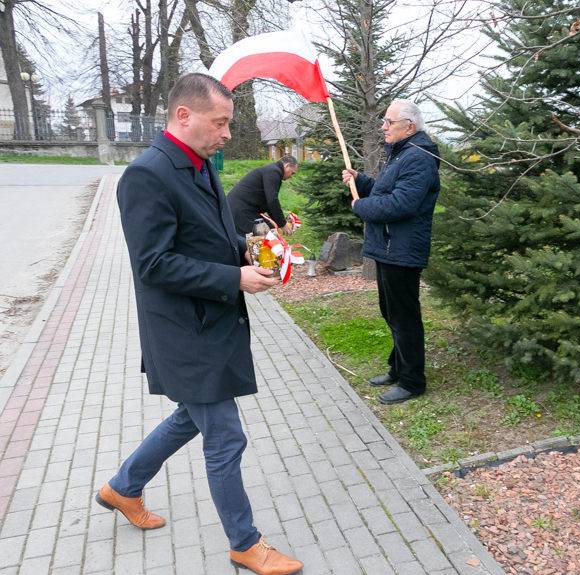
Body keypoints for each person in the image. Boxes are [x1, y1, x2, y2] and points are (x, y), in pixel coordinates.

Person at [98, 73, 303, 575]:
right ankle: (244, 543)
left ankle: (122, 488)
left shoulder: (200, 164)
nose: (228, 133)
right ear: (183, 116)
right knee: (226, 437)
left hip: (211, 322)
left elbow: (213, 235)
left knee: (191, 417)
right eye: (221, 123)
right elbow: (153, 264)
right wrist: (233, 277)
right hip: (183, 330)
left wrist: (255, 252)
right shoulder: (146, 175)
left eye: (228, 123)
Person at [341, 99, 440, 404]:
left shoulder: (419, 157)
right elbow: (386, 190)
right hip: (388, 247)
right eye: (383, 121)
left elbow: (402, 204)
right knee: (391, 312)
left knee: (404, 315)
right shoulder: (400, 154)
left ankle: (412, 381)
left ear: (409, 126)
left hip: (402, 248)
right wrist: (361, 181)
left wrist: (361, 206)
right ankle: (398, 368)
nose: (383, 127)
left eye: (389, 122)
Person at [227, 154, 298, 234]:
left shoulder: (272, 170)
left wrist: (280, 222)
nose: (291, 176)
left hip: (240, 208)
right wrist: (283, 224)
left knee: (270, 228)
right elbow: (272, 201)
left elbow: (268, 203)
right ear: (287, 166)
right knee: (263, 234)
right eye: (292, 173)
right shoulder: (274, 172)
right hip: (240, 210)